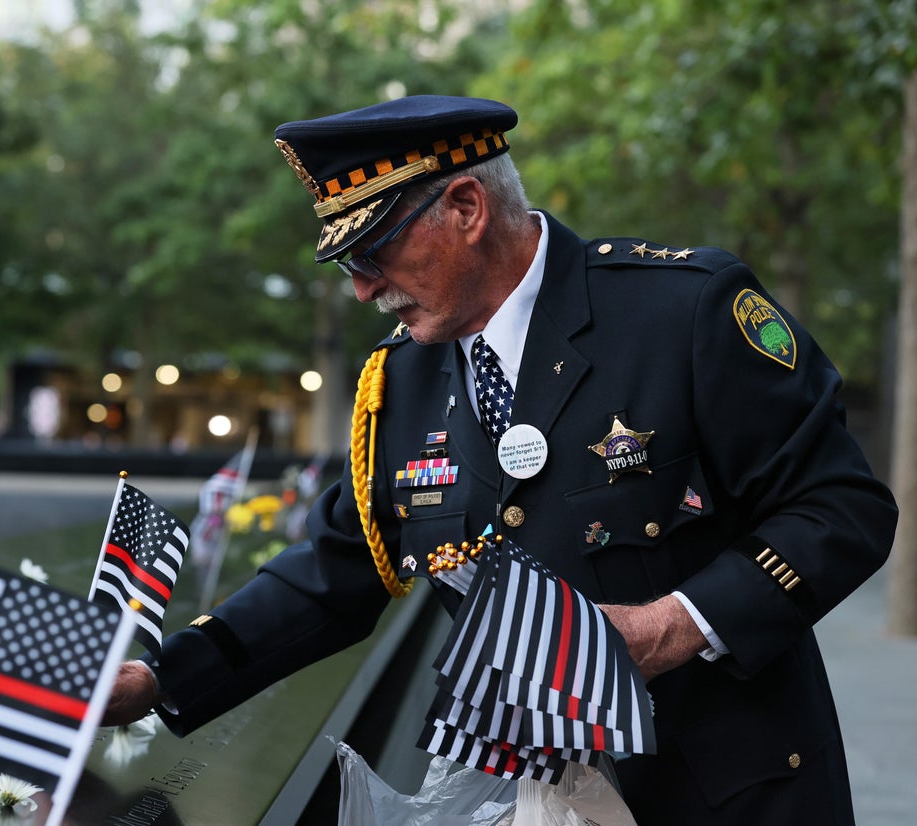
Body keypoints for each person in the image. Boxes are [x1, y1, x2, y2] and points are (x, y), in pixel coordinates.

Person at [105, 95, 898, 824]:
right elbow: (338, 571)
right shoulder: (402, 380)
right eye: (349, 266)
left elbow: (843, 507)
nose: (362, 290)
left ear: (466, 207)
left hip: (725, 795)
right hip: (527, 802)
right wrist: (159, 680)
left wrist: (673, 625)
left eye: (371, 252)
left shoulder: (683, 313)